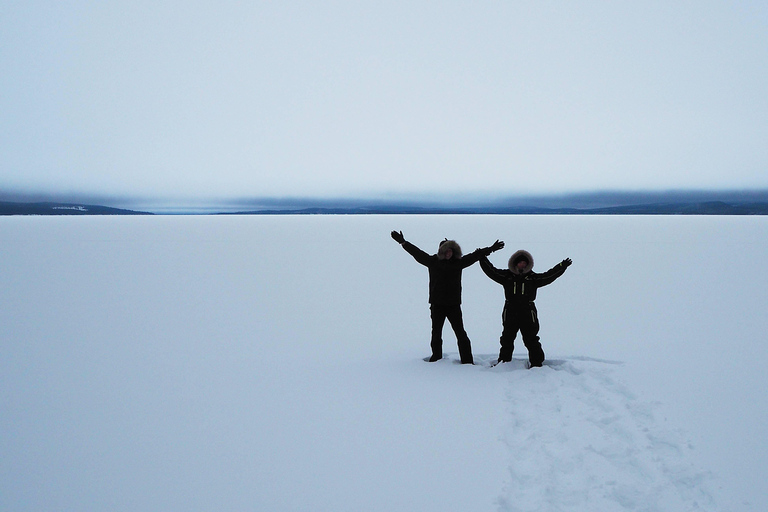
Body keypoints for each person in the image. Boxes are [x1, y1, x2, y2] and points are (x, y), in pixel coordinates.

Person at [391, 231, 504, 364]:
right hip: (437, 304)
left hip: (453, 305)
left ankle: (467, 360)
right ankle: (436, 358)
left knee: (460, 333)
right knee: (436, 332)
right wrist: (403, 243)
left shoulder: (458, 263)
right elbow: (417, 253)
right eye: (446, 251)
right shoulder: (432, 261)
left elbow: (475, 255)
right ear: (441, 251)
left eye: (451, 251)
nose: (448, 253)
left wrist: (490, 249)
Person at [479, 249, 572, 367]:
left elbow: (549, 276)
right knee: (507, 338)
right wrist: (482, 258)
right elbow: (491, 271)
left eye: (524, 263)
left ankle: (537, 363)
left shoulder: (532, 278)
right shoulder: (507, 276)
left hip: (528, 312)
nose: (522, 265)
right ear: (515, 263)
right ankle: (504, 362)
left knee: (531, 338)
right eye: (520, 262)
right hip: (510, 311)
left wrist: (561, 266)